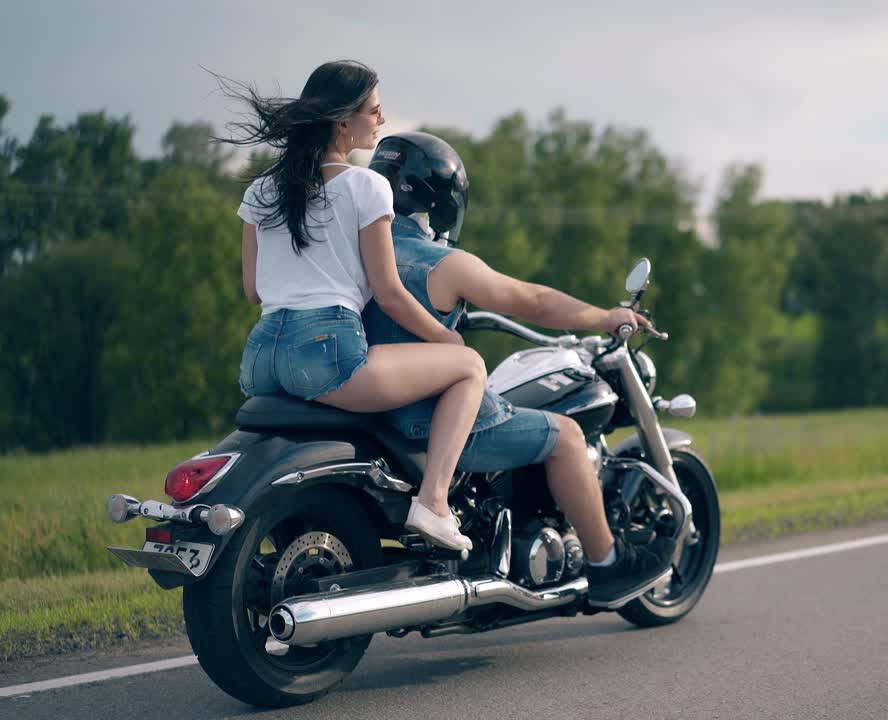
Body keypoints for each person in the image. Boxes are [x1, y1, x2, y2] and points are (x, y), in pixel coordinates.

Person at [363, 132, 674, 606]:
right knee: (567, 435)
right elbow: (533, 301)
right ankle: (608, 564)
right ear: (442, 201)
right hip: (428, 417)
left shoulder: (355, 255)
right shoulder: (441, 264)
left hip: (365, 405)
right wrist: (604, 316)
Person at [220, 61, 478, 551]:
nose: (381, 121)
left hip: (259, 359)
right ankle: (434, 504)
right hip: (324, 352)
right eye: (375, 111)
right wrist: (445, 336)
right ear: (343, 123)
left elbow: (253, 290)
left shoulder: (261, 190)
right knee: (467, 367)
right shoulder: (368, 186)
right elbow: (388, 292)